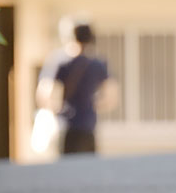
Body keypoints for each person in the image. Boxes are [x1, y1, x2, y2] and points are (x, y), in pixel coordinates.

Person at [36, 22, 118, 155]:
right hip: (89, 125)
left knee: (68, 170)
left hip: (67, 124)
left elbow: (44, 93)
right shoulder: (97, 63)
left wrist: (55, 109)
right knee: (88, 169)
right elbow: (111, 96)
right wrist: (95, 105)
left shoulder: (63, 62)